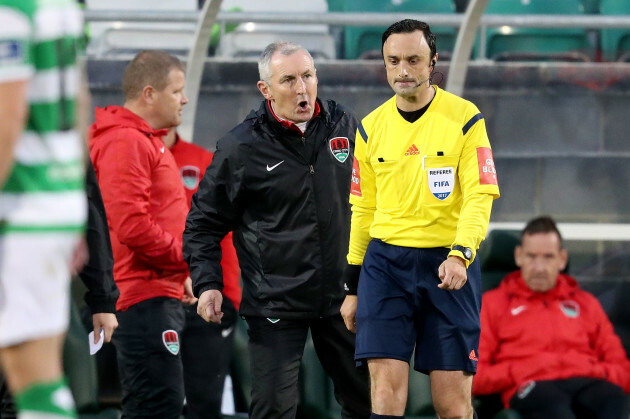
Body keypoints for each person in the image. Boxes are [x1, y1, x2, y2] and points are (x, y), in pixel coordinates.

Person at [183, 41, 371, 419]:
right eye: (288, 80)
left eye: (307, 76)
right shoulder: (241, 148)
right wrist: (207, 284)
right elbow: (202, 224)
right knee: (272, 409)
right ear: (265, 89)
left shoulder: (346, 126)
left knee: (369, 402)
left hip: (342, 296)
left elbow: (379, 203)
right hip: (276, 301)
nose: (301, 88)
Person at [340, 19, 501, 419]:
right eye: (393, 61)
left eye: (414, 60)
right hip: (385, 267)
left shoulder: (465, 118)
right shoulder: (370, 127)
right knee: (385, 396)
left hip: (447, 267)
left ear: (433, 63)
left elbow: (480, 195)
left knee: (451, 404)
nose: (403, 71)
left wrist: (461, 254)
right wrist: (353, 285)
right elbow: (363, 210)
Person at [88, 50, 193, 418]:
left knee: (156, 405)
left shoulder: (142, 139)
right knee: (156, 407)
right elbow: (131, 225)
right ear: (149, 94)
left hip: (153, 291)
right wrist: (185, 259)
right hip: (141, 297)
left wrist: (179, 273)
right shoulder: (126, 141)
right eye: (177, 90)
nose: (184, 99)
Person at [0, 0, 87, 417]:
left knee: (30, 377)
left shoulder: (11, 10)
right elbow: (81, 100)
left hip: (20, 209)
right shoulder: (60, 5)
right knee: (43, 378)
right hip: (55, 199)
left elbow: (6, 120)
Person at [472, 216, 630, 419]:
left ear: (562, 259)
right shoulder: (493, 304)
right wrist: (521, 370)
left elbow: (623, 371)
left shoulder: (585, 304)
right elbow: (474, 376)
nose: (539, 267)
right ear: (519, 256)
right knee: (553, 407)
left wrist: (593, 370)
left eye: (548, 257)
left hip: (584, 380)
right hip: (530, 387)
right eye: (531, 256)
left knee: (612, 398)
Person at [162, 128, 242, 419]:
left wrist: (227, 293)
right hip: (152, 298)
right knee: (155, 400)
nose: (182, 99)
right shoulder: (128, 159)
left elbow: (222, 232)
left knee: (205, 402)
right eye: (174, 91)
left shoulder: (203, 160)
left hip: (203, 299)